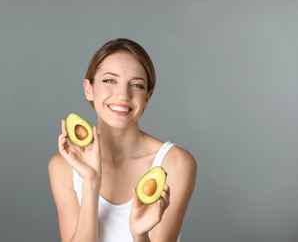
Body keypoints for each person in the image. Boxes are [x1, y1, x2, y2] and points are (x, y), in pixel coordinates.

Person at [48, 38, 197, 242]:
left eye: (136, 85)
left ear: (147, 97)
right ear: (88, 89)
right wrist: (91, 183)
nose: (123, 94)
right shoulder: (63, 166)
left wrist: (140, 235)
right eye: (110, 80)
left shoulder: (176, 163)